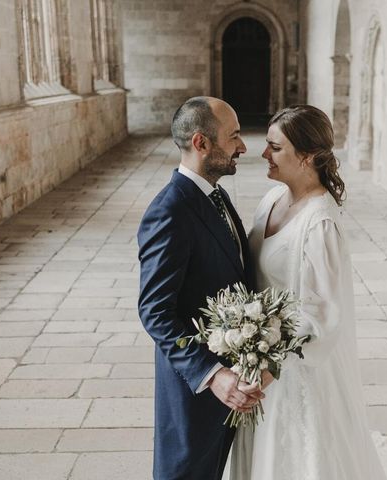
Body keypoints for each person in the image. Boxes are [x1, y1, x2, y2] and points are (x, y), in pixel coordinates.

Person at [229, 105, 387, 479]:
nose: (264, 154)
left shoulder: (320, 223)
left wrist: (270, 367)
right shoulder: (271, 200)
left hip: (294, 368)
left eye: (275, 147)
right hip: (259, 354)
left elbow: (323, 314)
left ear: (308, 157)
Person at [137, 96, 263, 480]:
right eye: (234, 136)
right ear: (200, 143)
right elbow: (155, 313)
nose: (243, 146)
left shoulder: (217, 195)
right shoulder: (170, 210)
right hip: (194, 390)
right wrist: (212, 374)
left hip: (231, 382)